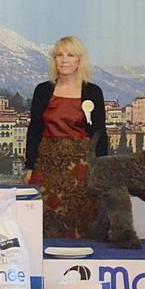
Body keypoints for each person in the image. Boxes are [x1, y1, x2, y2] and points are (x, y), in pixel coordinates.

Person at [23, 36, 107, 238]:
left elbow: (99, 134)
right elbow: (34, 130)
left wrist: (101, 169)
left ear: (79, 60)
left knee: (83, 220)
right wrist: (30, 166)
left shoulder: (93, 92)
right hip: (46, 166)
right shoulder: (43, 90)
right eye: (59, 55)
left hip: (82, 168)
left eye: (70, 55)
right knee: (45, 221)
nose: (64, 60)